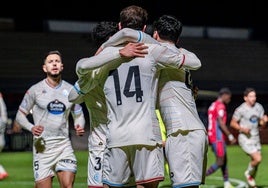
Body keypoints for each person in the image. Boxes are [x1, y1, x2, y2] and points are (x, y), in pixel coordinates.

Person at [71, 5, 201, 188]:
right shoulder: (152, 50)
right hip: (146, 134)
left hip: (116, 136)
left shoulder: (106, 55)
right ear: (145, 27)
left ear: (119, 26)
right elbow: (195, 63)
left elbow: (79, 74)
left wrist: (110, 49)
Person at [15, 50, 86, 188]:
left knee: (68, 186)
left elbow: (78, 113)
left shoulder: (71, 90)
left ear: (62, 67)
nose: (54, 64)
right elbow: (19, 115)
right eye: (50, 61)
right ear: (44, 68)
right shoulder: (35, 90)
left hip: (63, 145)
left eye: (57, 61)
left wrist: (79, 124)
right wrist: (31, 127)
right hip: (42, 147)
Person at [230, 87, 268, 187]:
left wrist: (264, 121)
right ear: (245, 98)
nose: (253, 98)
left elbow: (261, 124)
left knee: (256, 164)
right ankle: (247, 174)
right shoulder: (241, 109)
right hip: (245, 138)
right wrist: (242, 129)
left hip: (256, 138)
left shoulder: (259, 107)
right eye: (251, 96)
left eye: (254, 96)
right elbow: (232, 123)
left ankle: (250, 184)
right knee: (258, 159)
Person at [206, 87, 236, 188]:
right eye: (229, 97)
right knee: (220, 161)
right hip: (217, 136)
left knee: (224, 159)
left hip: (213, 136)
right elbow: (221, 122)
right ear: (225, 95)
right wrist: (230, 135)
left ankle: (226, 182)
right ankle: (200, 178)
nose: (229, 99)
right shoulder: (220, 106)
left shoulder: (213, 104)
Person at [0, 91, 9, 180]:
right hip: (1, 141)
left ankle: (2, 172)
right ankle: (2, 172)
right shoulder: (2, 121)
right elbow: (4, 113)